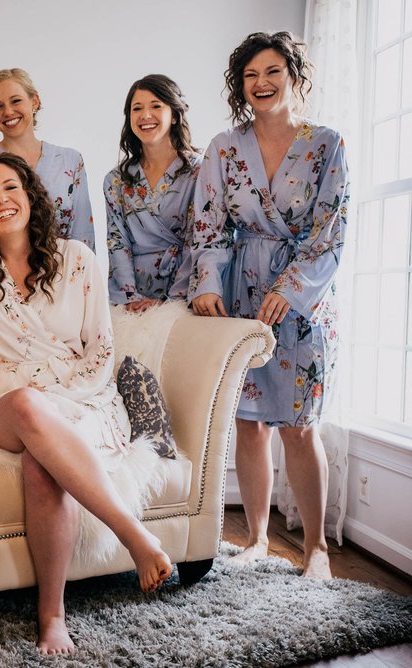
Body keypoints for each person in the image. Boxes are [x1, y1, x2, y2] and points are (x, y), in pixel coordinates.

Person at [0, 153, 172, 656]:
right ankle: (133, 534)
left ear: (30, 194)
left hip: (83, 397)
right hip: (9, 401)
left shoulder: (78, 259)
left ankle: (52, 615)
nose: (0, 200)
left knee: (40, 461)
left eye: (10, 188)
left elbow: (102, 349)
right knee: (28, 407)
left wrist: (62, 399)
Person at [188, 31, 350, 580]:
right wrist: (207, 281)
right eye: (251, 75)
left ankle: (316, 548)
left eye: (272, 71)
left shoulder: (327, 144)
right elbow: (207, 225)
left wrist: (292, 288)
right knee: (248, 421)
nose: (261, 83)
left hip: (302, 301)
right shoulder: (224, 147)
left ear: (293, 77)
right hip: (239, 294)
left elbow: (331, 230)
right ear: (240, 85)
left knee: (300, 424)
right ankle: (256, 539)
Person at [0, 68, 96, 251]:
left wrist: (80, 276)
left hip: (64, 272)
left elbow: (83, 234)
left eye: (16, 101)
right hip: (0, 274)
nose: (8, 111)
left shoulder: (70, 161)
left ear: (34, 101)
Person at [104, 74, 202, 311]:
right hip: (133, 296)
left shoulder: (199, 171)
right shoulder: (116, 180)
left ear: (175, 115)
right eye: (137, 108)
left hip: (185, 291)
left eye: (156, 106)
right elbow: (117, 242)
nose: (145, 115)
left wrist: (172, 302)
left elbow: (198, 238)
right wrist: (131, 297)